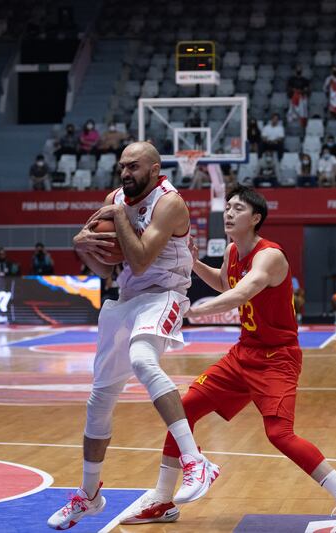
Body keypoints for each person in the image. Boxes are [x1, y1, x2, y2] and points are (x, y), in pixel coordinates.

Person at [118, 186, 336, 531]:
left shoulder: (270, 255)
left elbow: (244, 291)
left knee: (280, 434)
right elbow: (227, 283)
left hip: (277, 358)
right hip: (244, 353)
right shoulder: (231, 250)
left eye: (237, 208)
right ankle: (163, 500)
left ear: (255, 218)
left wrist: (201, 309)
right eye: (226, 207)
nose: (227, 213)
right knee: (185, 407)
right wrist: (194, 262)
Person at [47, 142, 219, 530]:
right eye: (122, 166)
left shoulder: (169, 202)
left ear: (155, 169)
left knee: (143, 359)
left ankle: (196, 461)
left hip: (165, 293)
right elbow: (106, 272)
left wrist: (116, 215)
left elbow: (140, 261)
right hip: (126, 298)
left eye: (134, 167)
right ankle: (89, 495)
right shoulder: (115, 199)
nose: (125, 173)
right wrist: (83, 246)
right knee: (99, 399)